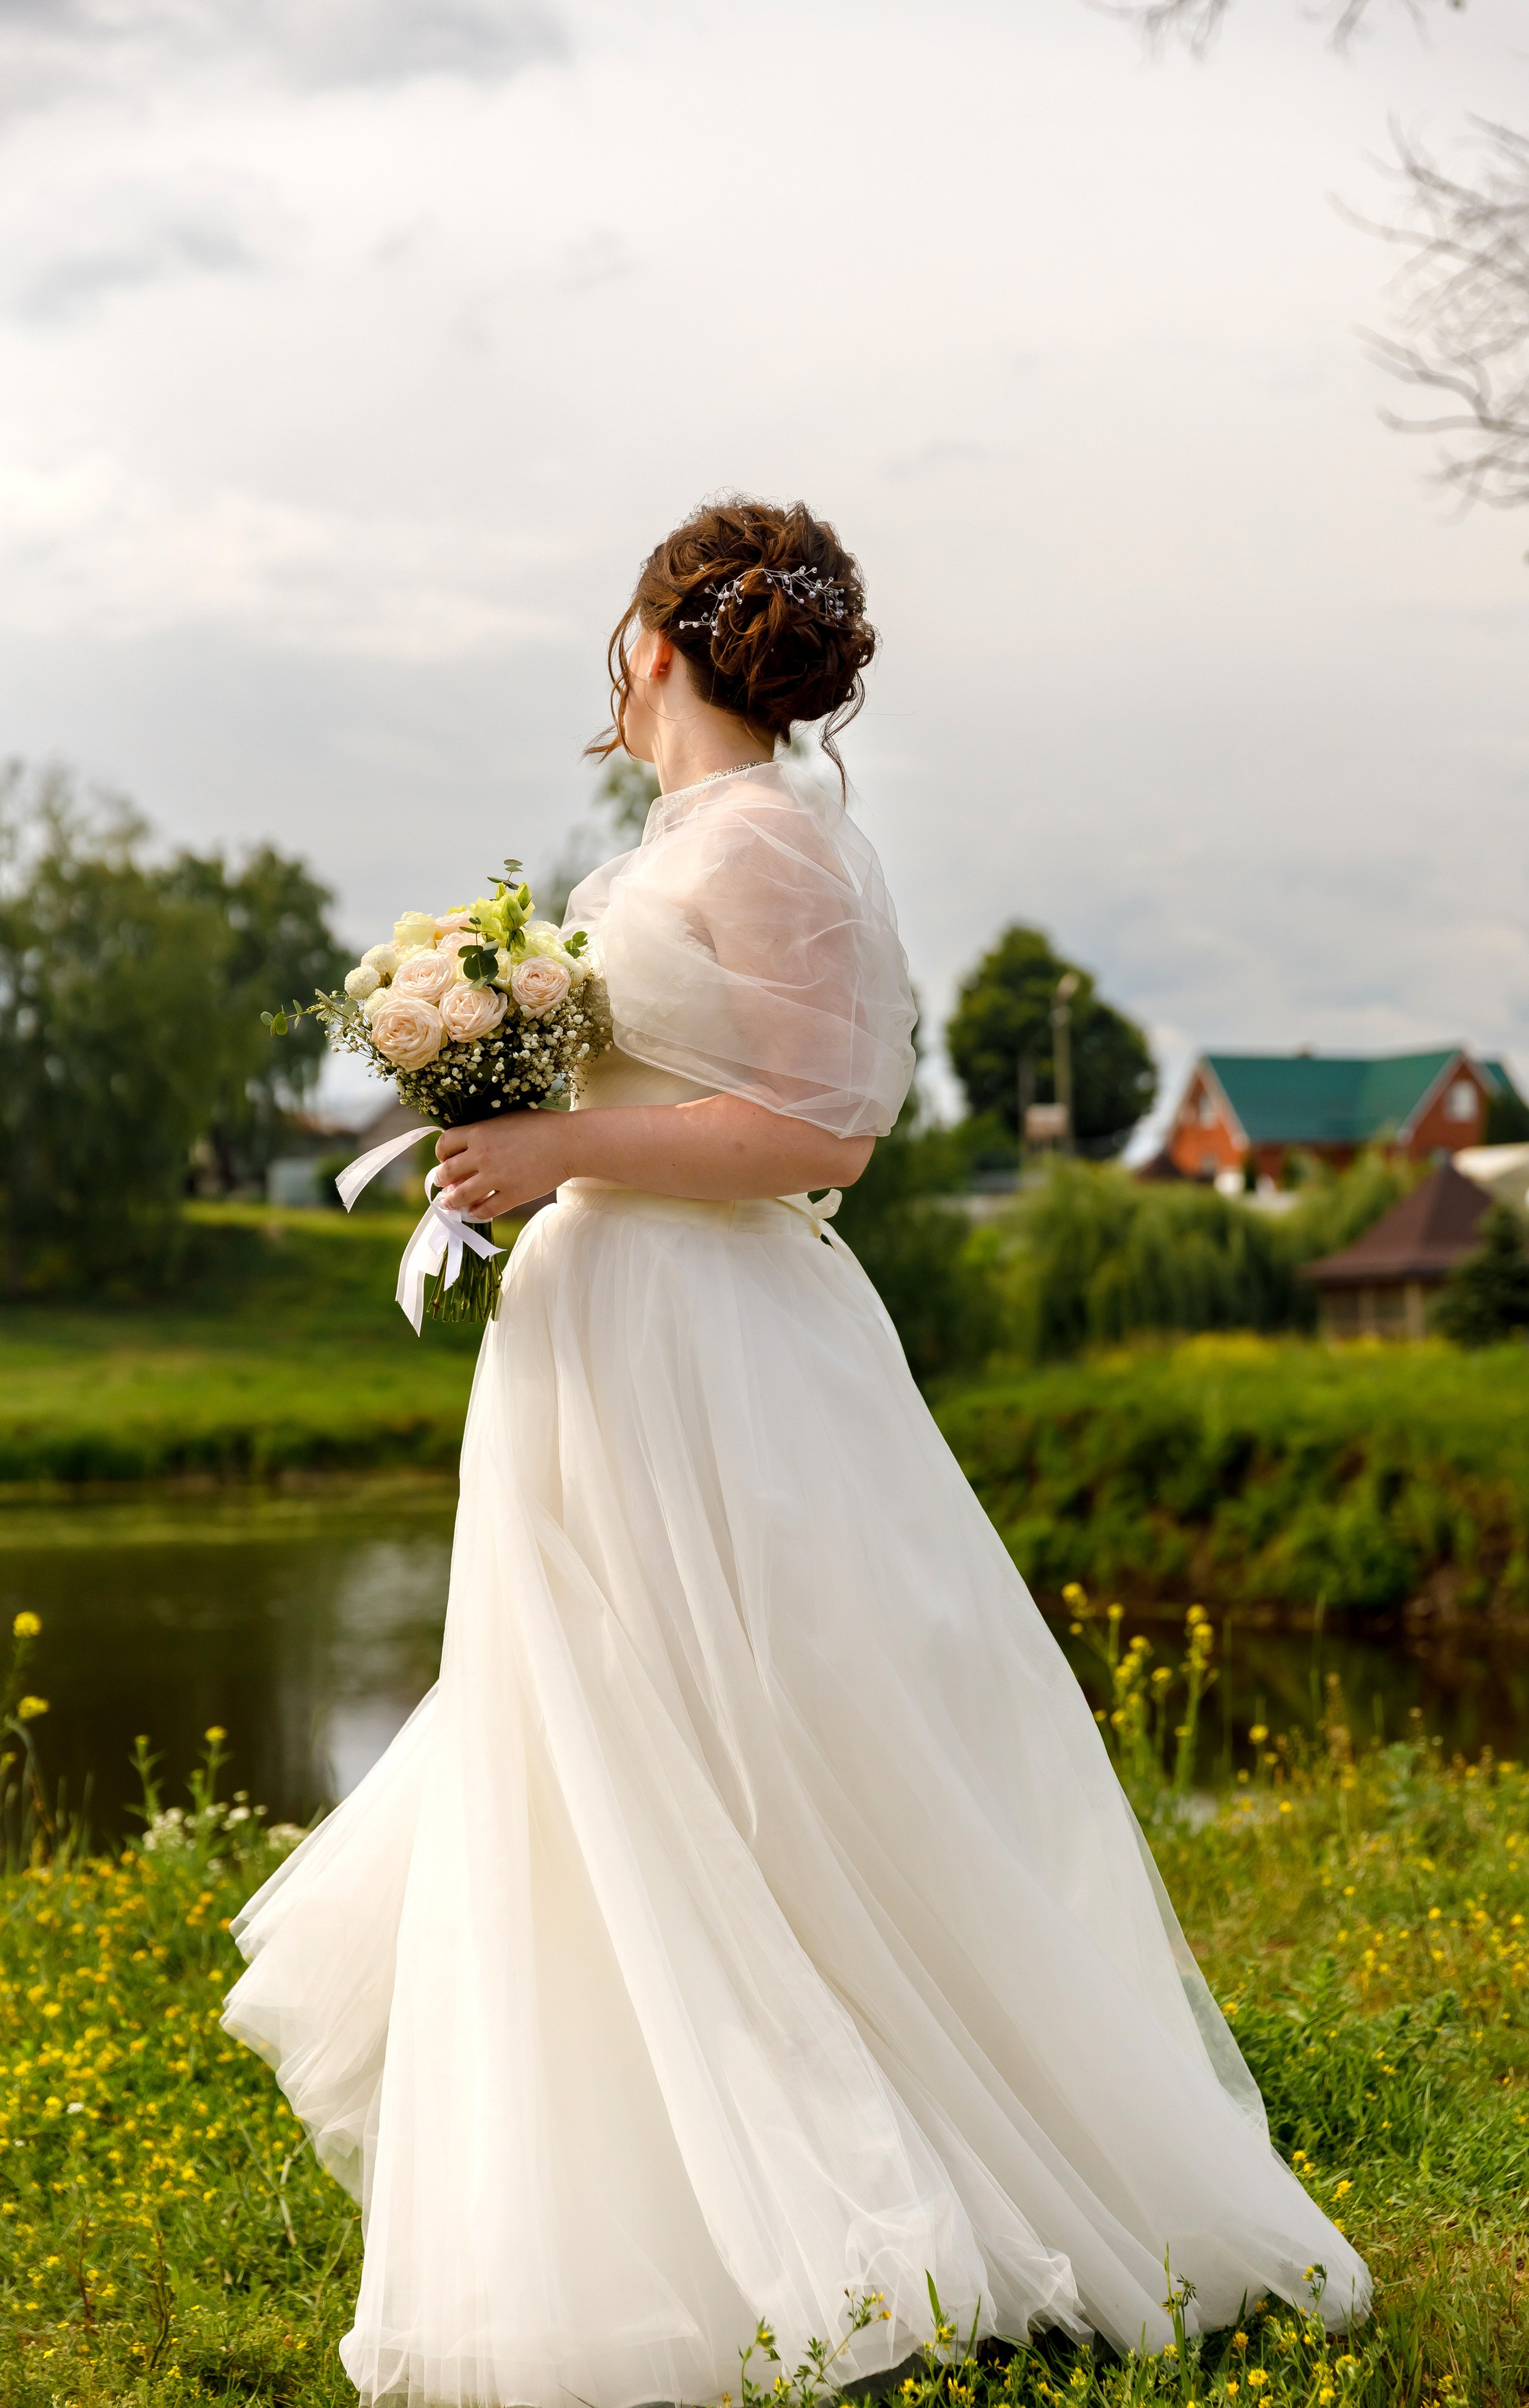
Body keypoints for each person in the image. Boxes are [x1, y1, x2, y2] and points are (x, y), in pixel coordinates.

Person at [223, 497, 1369, 2407]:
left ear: (657, 644)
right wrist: (505, 1106)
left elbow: (822, 1136)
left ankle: (879, 2189)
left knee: (750, 1747)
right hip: (593, 1345)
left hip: (717, 1350)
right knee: (594, 1744)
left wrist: (559, 1147)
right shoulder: (677, 844)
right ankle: (636, 2191)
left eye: (619, 629)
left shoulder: (774, 846)